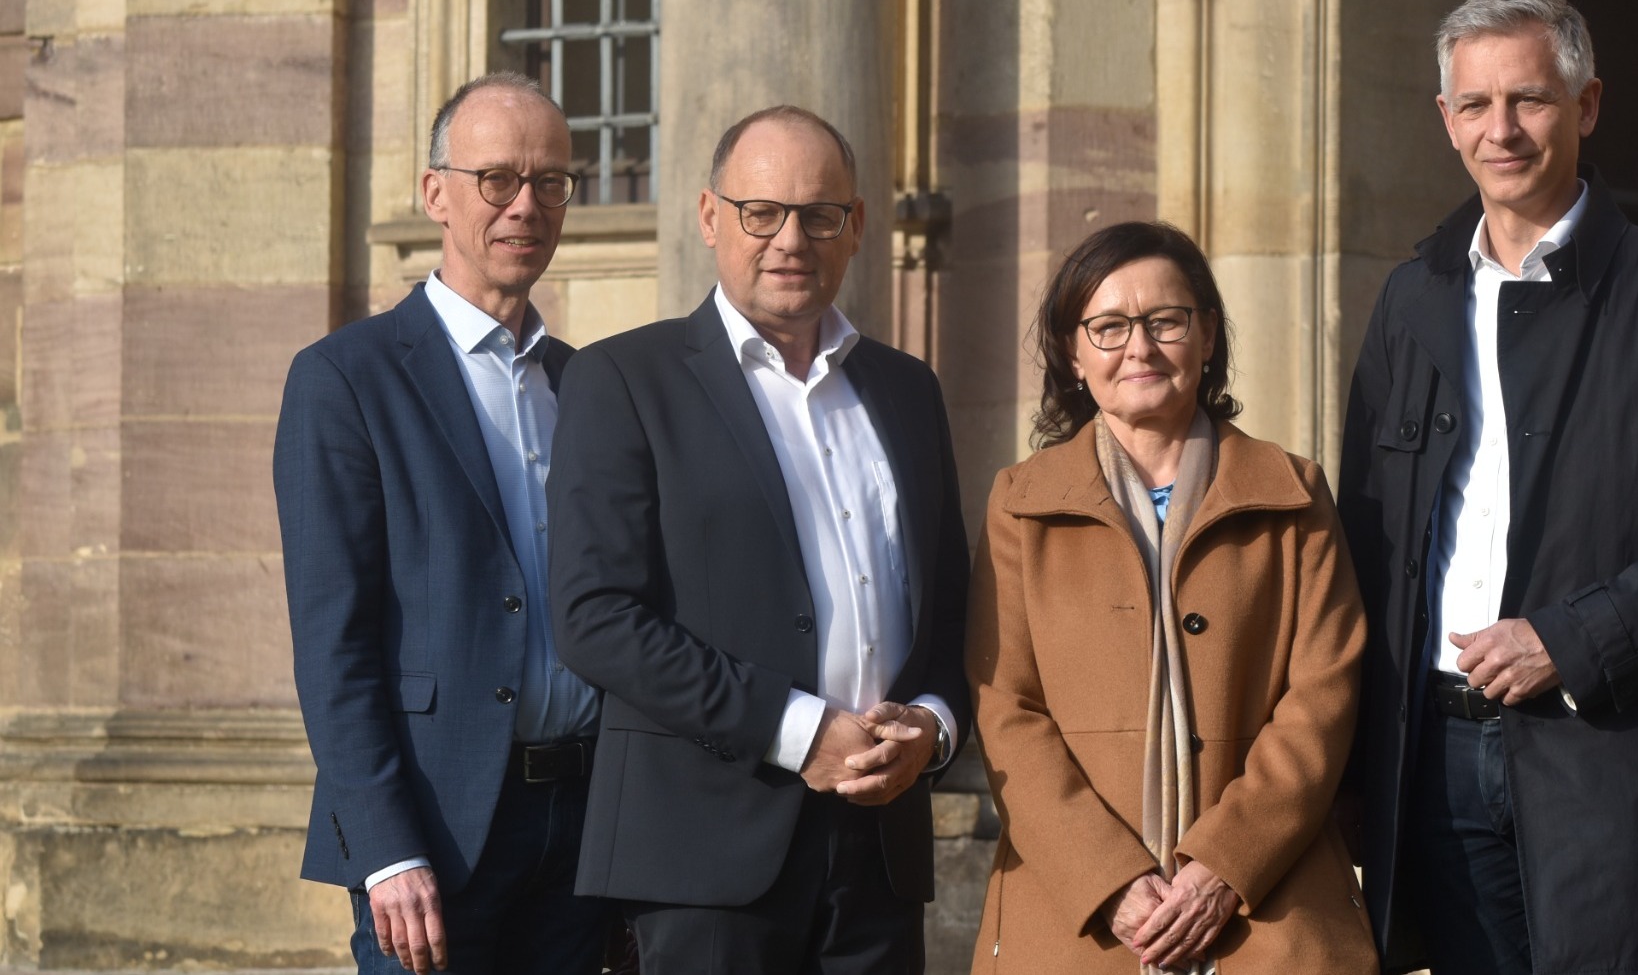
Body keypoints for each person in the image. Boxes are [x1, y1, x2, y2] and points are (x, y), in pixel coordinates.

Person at [1337, 0, 1638, 974]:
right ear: (1446, 120)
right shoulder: (1410, 297)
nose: (1501, 129)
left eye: (1530, 100)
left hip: (1606, 758)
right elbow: (1366, 540)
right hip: (1436, 756)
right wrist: (1355, 766)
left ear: (1586, 106)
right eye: (1476, 104)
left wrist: (1568, 637)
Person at [546, 105, 972, 974]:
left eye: (819, 215)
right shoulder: (625, 378)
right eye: (761, 213)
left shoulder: (908, 389)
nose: (791, 240)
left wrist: (932, 726)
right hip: (704, 856)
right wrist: (797, 727)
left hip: (879, 854)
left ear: (855, 227)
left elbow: (952, 612)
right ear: (710, 217)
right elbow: (593, 616)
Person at [965, 220, 1378, 974]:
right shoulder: (1019, 505)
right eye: (1110, 326)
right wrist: (1109, 879)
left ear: (1209, 334)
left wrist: (1225, 863)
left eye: (1167, 321)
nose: (1140, 348)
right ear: (1073, 350)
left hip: (1270, 909)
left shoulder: (1295, 493)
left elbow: (1325, 694)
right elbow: (1006, 709)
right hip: (1077, 918)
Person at [274, 72, 609, 974]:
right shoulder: (347, 378)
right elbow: (332, 643)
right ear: (437, 194)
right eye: (497, 179)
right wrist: (385, 847)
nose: (526, 206)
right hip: (436, 830)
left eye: (551, 182)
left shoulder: (588, 385)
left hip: (582, 827)